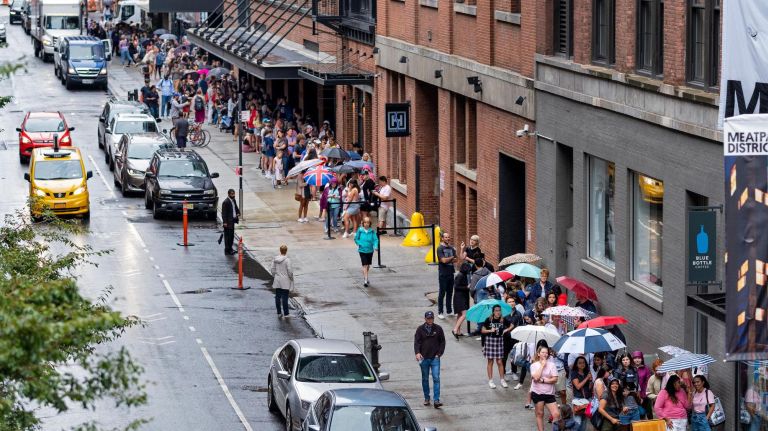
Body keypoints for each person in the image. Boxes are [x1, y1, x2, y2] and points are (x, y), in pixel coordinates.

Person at [414, 311, 445, 409]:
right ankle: (427, 398)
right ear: (425, 319)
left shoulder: (438, 329)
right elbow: (417, 342)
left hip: (435, 358)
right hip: (424, 358)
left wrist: (439, 354)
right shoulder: (420, 329)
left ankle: (436, 400)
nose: (430, 320)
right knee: (425, 378)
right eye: (428, 318)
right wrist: (417, 353)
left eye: (431, 318)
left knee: (436, 378)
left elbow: (442, 342)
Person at [529, 345, 560, 431]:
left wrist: (543, 380)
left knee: (556, 414)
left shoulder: (552, 365)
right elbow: (536, 378)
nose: (545, 354)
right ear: (538, 354)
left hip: (549, 393)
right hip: (538, 392)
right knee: (540, 413)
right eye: (543, 352)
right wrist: (542, 365)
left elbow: (555, 379)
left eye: (546, 353)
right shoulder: (534, 365)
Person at [481, 305, 511, 389]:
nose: (498, 312)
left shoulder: (503, 319)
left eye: (499, 310)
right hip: (490, 340)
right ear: (493, 311)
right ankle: (490, 381)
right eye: (496, 310)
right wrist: (490, 330)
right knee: (490, 361)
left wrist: (506, 330)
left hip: (499, 341)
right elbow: (482, 330)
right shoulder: (488, 319)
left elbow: (512, 325)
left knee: (500, 362)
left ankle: (502, 380)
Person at [436, 231, 457, 319]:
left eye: (448, 237)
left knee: (450, 292)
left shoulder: (452, 248)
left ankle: (449, 311)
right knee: (442, 293)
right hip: (443, 274)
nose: (448, 239)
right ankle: (440, 312)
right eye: (446, 237)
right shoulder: (440, 248)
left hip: (451, 273)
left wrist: (450, 259)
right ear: (442, 238)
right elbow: (443, 261)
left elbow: (456, 260)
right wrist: (451, 258)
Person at [270, 245, 293, 318]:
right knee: (285, 297)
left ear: (280, 250)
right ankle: (286, 314)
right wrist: (291, 278)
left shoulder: (275, 259)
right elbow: (289, 271)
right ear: (286, 251)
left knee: (277, 296)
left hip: (277, 279)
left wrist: (275, 275)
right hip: (285, 280)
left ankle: (279, 313)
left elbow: (272, 269)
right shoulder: (287, 260)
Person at [354, 217, 378, 287]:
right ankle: (365, 280)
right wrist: (359, 243)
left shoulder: (372, 231)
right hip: (362, 250)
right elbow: (356, 239)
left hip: (370, 250)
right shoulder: (360, 230)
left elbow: (375, 240)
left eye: (368, 222)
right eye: (365, 222)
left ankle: (366, 276)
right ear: (363, 223)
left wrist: (375, 246)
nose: (366, 224)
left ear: (370, 223)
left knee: (368, 265)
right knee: (365, 265)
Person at [570, 355, 593, 431]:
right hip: (578, 399)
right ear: (576, 364)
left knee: (584, 421)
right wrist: (587, 378)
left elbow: (589, 387)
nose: (582, 364)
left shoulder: (587, 372)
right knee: (578, 421)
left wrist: (590, 380)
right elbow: (578, 386)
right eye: (579, 363)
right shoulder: (574, 373)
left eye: (583, 362)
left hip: (587, 398)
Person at [451, 262, 472, 339]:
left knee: (460, 314)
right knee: (464, 314)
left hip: (461, 297)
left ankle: (458, 331)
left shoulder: (462, 275)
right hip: (460, 298)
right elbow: (456, 287)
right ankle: (455, 329)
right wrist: (467, 287)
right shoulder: (460, 275)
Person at [633, 351, 652, 419]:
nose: (637, 360)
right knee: (639, 413)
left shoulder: (646, 368)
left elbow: (648, 382)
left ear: (642, 359)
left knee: (648, 412)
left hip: (645, 394)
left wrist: (644, 394)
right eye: (635, 358)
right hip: (634, 395)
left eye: (639, 358)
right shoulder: (631, 369)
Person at [221, 189, 240, 255]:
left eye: (234, 194)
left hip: (232, 221)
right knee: (228, 237)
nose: (233, 195)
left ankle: (230, 248)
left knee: (231, 236)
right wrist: (225, 222)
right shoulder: (226, 202)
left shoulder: (233, 200)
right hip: (228, 222)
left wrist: (238, 213)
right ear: (228, 194)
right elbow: (224, 213)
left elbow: (236, 208)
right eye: (232, 194)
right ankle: (227, 250)